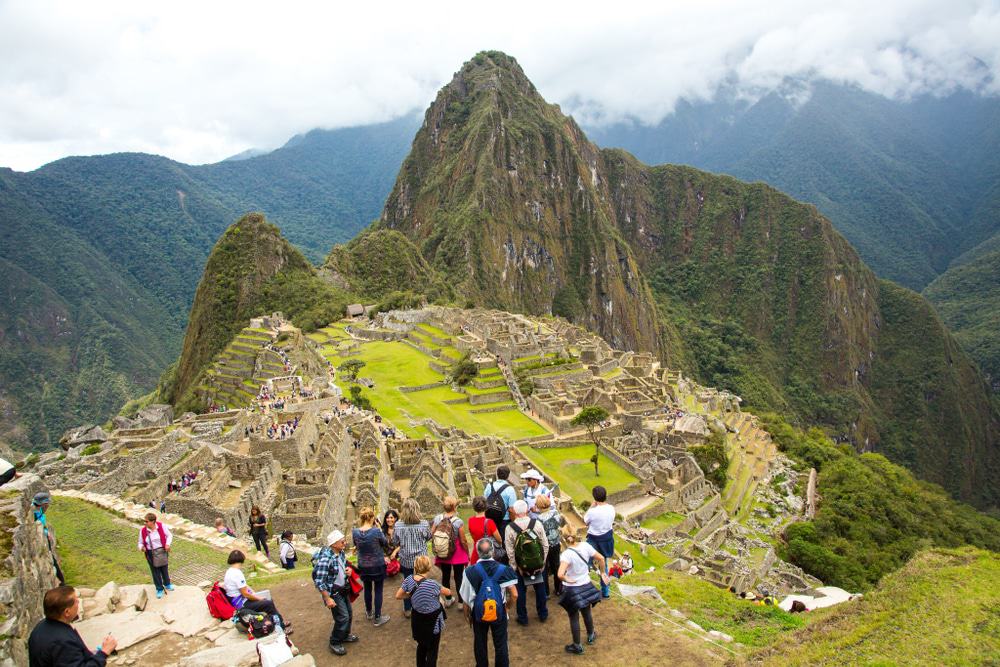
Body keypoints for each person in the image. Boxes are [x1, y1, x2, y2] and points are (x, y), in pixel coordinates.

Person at [460, 539, 518, 667]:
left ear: (477, 551)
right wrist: (507, 607)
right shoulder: (503, 569)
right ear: (493, 551)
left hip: (478, 612)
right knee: (501, 644)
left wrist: (467, 616)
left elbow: (465, 598)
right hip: (499, 611)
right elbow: (514, 594)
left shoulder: (469, 571)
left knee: (480, 644)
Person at [28, 585, 117, 666]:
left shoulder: (41, 627)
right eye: (75, 601)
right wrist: (104, 652)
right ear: (67, 612)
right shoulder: (63, 643)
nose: (78, 602)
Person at [558, 531, 610, 654]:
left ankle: (577, 646)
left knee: (573, 616)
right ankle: (591, 635)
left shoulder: (566, 555)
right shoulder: (586, 546)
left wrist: (566, 579)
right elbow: (601, 558)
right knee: (586, 612)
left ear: (565, 539)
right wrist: (603, 573)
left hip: (572, 588)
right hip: (586, 585)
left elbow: (560, 574)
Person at [395, 555, 448, 667]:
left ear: (415, 566)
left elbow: (398, 595)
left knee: (421, 646)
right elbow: (448, 592)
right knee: (432, 651)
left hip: (418, 620)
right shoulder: (433, 584)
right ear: (429, 567)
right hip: (433, 622)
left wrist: (411, 595)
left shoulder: (409, 580)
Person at [223, 550, 291, 634]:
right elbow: (245, 594)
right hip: (242, 604)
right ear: (241, 559)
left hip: (239, 601)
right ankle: (281, 628)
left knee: (268, 600)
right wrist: (259, 598)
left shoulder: (229, 571)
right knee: (268, 604)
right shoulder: (237, 573)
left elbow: (244, 588)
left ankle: (279, 621)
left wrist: (254, 594)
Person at [313, 530, 358, 656]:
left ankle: (344, 635)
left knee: (348, 613)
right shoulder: (325, 558)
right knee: (342, 617)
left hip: (343, 589)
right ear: (333, 544)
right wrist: (327, 599)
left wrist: (347, 570)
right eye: (342, 541)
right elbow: (319, 581)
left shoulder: (341, 553)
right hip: (334, 593)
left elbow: (342, 566)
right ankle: (335, 641)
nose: (345, 542)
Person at [503, 500, 548, 626]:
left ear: (515, 513)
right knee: (540, 588)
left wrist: (515, 568)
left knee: (521, 592)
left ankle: (523, 618)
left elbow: (510, 551)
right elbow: (545, 545)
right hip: (537, 563)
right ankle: (543, 614)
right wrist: (542, 563)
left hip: (520, 565)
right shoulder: (537, 524)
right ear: (527, 510)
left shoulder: (510, 528)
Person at [352, 507, 390, 626]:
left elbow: (356, 545)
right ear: (372, 518)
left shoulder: (355, 532)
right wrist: (379, 528)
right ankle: (378, 617)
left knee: (367, 588)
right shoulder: (376, 531)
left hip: (363, 565)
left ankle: (369, 612)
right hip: (377, 564)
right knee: (378, 590)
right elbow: (385, 543)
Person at [395, 498, 431, 618]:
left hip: (406, 560)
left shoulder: (398, 525)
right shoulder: (424, 523)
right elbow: (428, 537)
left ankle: (408, 608)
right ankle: (423, 605)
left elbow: (396, 541)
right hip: (421, 560)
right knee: (422, 583)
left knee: (408, 583)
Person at [431, 496, 469, 608]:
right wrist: (467, 552)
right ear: (454, 506)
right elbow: (463, 540)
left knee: (445, 576)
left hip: (443, 551)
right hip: (456, 552)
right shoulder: (458, 522)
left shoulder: (438, 518)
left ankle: (448, 599)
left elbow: (431, 533)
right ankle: (461, 602)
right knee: (459, 577)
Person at [584, 486, 615, 599]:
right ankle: (606, 592)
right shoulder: (611, 508)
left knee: (585, 561)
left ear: (594, 498)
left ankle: (583, 588)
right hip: (606, 539)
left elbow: (585, 521)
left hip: (594, 539)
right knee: (604, 564)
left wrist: (592, 506)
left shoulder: (593, 511)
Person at [532, 494, 565, 597]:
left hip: (544, 547)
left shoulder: (538, 520)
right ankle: (559, 589)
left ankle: (546, 592)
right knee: (556, 566)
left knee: (544, 568)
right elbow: (561, 524)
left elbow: (536, 535)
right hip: (555, 544)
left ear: (538, 506)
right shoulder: (555, 513)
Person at [137, 513, 173, 599]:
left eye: (147, 521)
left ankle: (167, 584)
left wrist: (167, 544)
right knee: (155, 571)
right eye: (144, 521)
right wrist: (141, 548)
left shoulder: (161, 526)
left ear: (153, 522)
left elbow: (169, 535)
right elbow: (140, 542)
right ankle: (159, 588)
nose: (145, 523)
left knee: (164, 567)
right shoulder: (143, 531)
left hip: (162, 550)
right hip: (150, 553)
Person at [32, 491, 64, 584]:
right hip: (44, 540)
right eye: (47, 504)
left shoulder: (37, 509)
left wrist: (46, 531)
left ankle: (61, 580)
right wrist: (45, 532)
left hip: (45, 537)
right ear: (44, 504)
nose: (48, 506)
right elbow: (38, 523)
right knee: (53, 560)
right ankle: (62, 582)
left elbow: (41, 522)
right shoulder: (35, 512)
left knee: (53, 560)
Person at [483, 465, 517, 539]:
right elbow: (511, 509)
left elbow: (484, 501)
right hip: (504, 520)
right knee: (503, 541)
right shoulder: (510, 489)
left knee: (491, 540)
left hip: (490, 518)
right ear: (508, 476)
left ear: (497, 474)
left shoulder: (489, 486)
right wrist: (514, 523)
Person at [467, 496, 503, 565]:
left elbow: (473, 536)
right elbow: (499, 539)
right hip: (488, 553)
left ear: (474, 507)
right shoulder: (490, 522)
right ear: (486, 507)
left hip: (476, 552)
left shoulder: (470, 521)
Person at [381, 509, 401, 576]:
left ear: (395, 518)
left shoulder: (399, 529)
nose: (389, 520)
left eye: (391, 517)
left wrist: (395, 551)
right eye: (387, 518)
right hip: (386, 558)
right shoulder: (382, 530)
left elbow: (403, 543)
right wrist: (385, 557)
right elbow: (379, 546)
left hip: (398, 557)